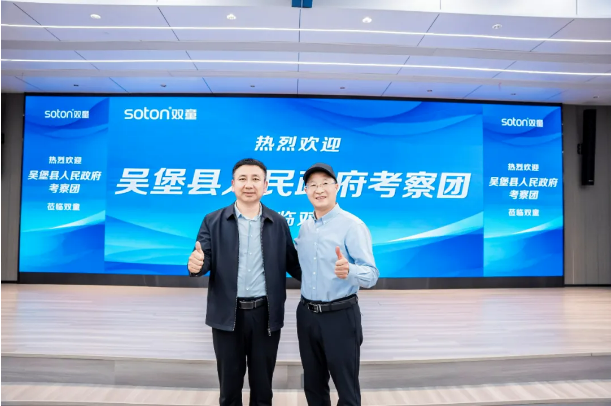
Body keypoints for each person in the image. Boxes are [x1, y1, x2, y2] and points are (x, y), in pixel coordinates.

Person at [187, 158, 301, 406]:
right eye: (242, 179)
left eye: (255, 179)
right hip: (227, 315)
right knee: (229, 390)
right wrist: (195, 266)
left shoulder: (278, 222)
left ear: (266, 185)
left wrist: (327, 272)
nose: (249, 184)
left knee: (263, 390)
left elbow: (294, 265)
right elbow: (203, 259)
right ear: (233, 184)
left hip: (265, 316)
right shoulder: (212, 220)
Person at [294, 162, 379, 406]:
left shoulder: (353, 225)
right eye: (312, 185)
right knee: (313, 384)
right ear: (306, 191)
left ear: (337, 187)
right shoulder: (305, 227)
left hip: (340, 316)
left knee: (347, 388)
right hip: (307, 315)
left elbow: (371, 275)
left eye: (325, 183)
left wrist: (350, 270)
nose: (319, 189)